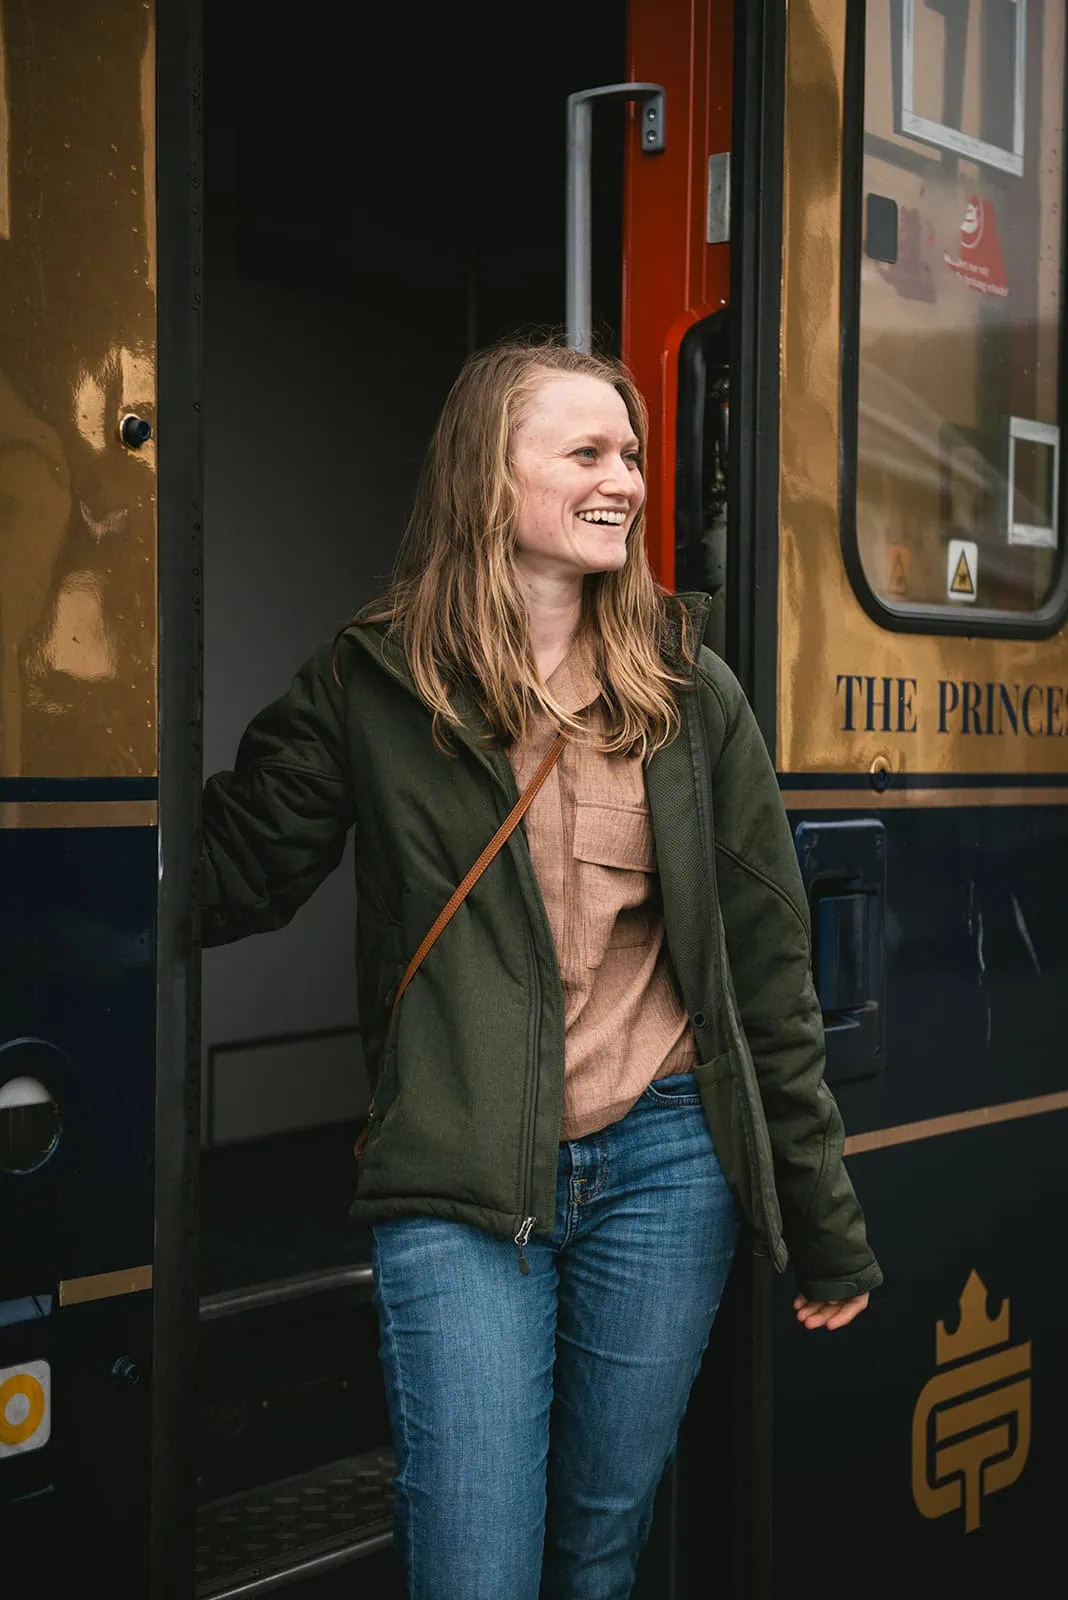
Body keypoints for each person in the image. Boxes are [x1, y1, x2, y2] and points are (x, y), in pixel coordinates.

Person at [200, 339, 882, 1600]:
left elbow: (768, 978)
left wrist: (825, 1224)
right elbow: (236, 866)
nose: (624, 477)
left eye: (628, 453)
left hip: (667, 1165)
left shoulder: (688, 693)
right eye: (586, 452)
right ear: (486, 480)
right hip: (460, 1172)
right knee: (472, 1563)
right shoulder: (374, 681)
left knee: (599, 1546)